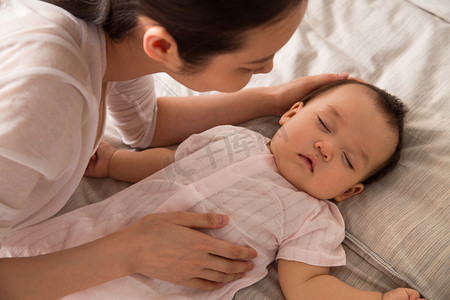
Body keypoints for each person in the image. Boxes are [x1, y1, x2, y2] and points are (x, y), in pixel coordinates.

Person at [0, 0, 356, 298]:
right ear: (163, 47)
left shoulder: (117, 30)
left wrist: (271, 99)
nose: (269, 68)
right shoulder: (43, 91)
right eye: (251, 64)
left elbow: (146, 125)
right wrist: (127, 253)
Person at [2, 80, 424, 299]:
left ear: (348, 192)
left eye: (349, 160)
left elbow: (308, 287)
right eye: (324, 125)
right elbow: (169, 162)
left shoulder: (314, 217)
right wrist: (115, 162)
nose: (326, 147)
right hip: (94, 238)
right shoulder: (232, 138)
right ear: (291, 113)